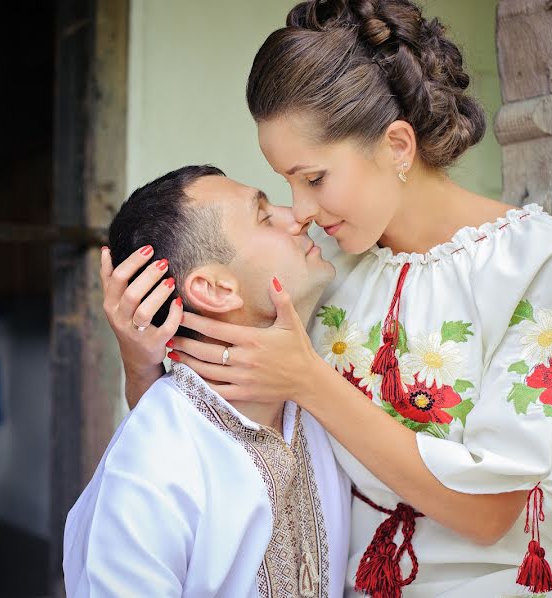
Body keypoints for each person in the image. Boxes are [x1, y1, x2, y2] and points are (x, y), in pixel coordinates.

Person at [100, 0, 552, 596]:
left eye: (314, 179)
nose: (298, 211)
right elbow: (205, 434)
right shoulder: (322, 275)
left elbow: (498, 497)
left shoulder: (534, 256)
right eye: (287, 183)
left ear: (398, 145)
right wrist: (142, 358)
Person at [64, 166, 352, 597]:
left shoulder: (318, 401)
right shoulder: (150, 467)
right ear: (215, 290)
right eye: (263, 216)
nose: (297, 216)